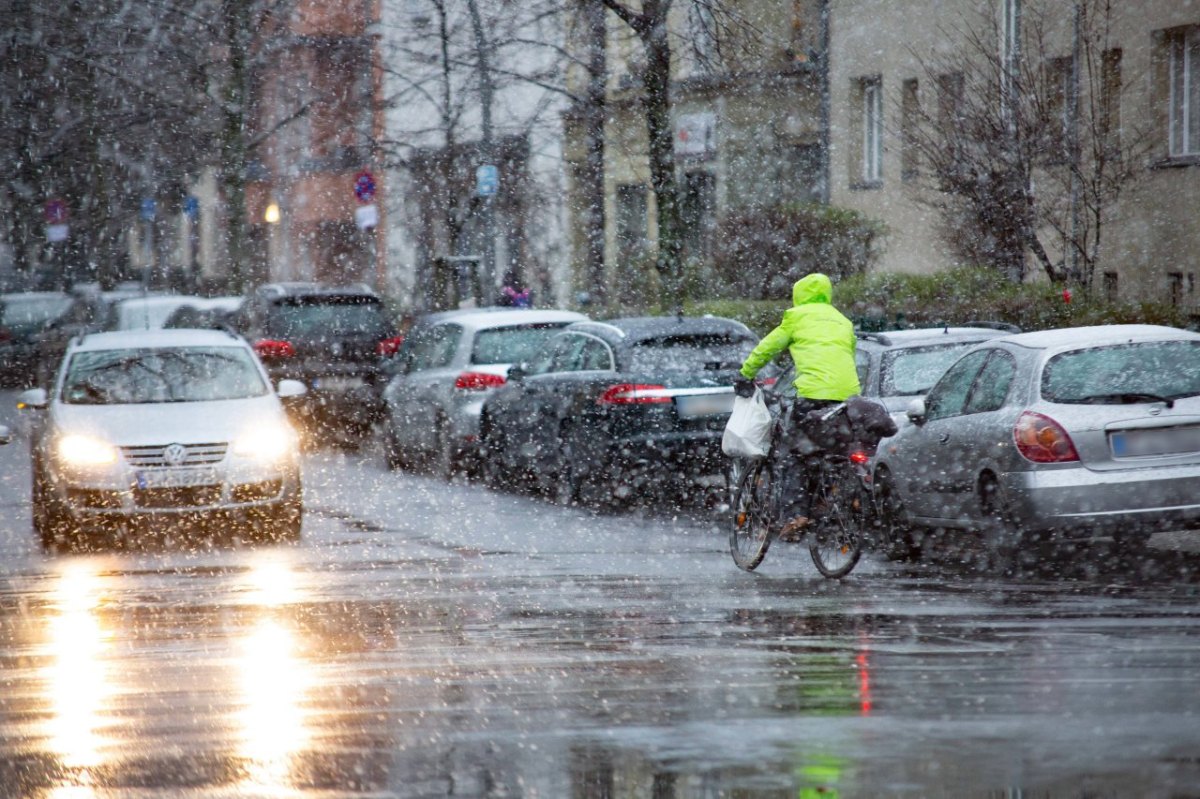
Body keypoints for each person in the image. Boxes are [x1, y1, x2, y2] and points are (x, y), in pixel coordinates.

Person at [734, 272, 862, 538]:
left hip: (813, 396)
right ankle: (827, 499)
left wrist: (745, 374)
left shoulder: (796, 317)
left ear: (798, 295)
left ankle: (796, 515)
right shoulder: (843, 321)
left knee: (794, 456)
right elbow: (845, 355)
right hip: (847, 398)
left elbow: (766, 348)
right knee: (830, 452)